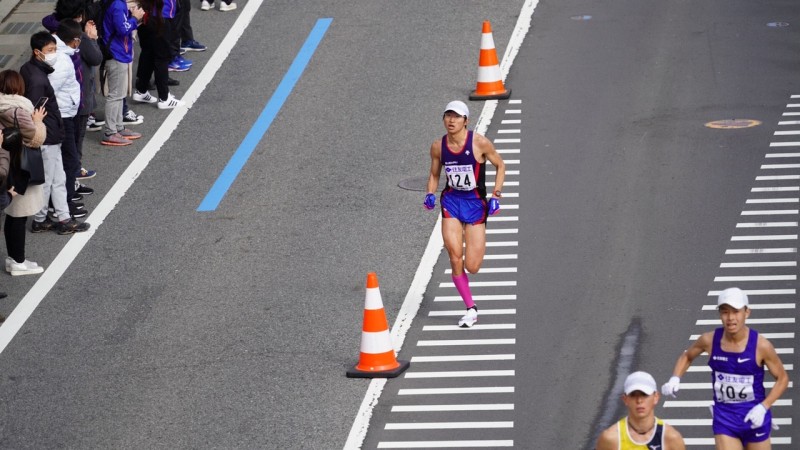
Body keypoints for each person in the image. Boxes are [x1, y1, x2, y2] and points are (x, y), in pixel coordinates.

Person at [661, 287, 789, 449]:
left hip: (754, 417)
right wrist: (675, 378)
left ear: (746, 312)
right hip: (725, 419)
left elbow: (783, 378)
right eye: (725, 312)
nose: (730, 318)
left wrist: (764, 406)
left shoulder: (761, 346)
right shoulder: (709, 340)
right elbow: (687, 356)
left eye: (735, 312)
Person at [424, 100, 505, 327]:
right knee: (454, 257)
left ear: (466, 121)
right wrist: (430, 193)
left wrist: (496, 196)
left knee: (473, 266)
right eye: (448, 115)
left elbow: (501, 165)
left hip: (475, 205)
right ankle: (470, 308)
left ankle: (470, 302)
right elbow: (434, 174)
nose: (451, 120)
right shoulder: (438, 146)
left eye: (456, 117)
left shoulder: (479, 143)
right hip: (451, 202)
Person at [20, 31, 89, 235]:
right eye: (50, 50)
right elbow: (36, 111)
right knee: (50, 179)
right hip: (47, 135)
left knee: (55, 178)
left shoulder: (29, 69)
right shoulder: (38, 80)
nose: (54, 54)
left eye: (54, 49)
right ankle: (50, 219)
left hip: (49, 133)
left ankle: (55, 217)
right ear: (37, 52)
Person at [0, 69, 47, 274]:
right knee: (19, 215)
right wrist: (37, 120)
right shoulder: (18, 109)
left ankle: (14, 258)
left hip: (7, 163)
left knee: (12, 214)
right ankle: (18, 261)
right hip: (21, 166)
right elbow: (36, 138)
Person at [50, 19, 86, 217]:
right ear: (73, 40)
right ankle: (64, 204)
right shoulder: (62, 61)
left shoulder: (60, 53)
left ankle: (62, 201)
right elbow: (51, 90)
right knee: (69, 161)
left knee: (65, 160)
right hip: (63, 115)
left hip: (64, 112)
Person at [596, 371, 685, 450]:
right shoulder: (610, 438)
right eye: (633, 395)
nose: (639, 400)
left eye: (644, 394)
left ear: (656, 397)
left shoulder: (671, 438)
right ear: (625, 399)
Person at [101, 0, 144, 146]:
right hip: (116, 53)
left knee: (119, 95)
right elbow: (122, 29)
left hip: (119, 52)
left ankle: (118, 127)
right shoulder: (117, 5)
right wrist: (135, 18)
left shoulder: (115, 3)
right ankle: (110, 132)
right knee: (115, 95)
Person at [132, 0, 185, 109]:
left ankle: (141, 89)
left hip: (145, 15)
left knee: (148, 53)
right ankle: (164, 98)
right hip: (160, 15)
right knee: (162, 58)